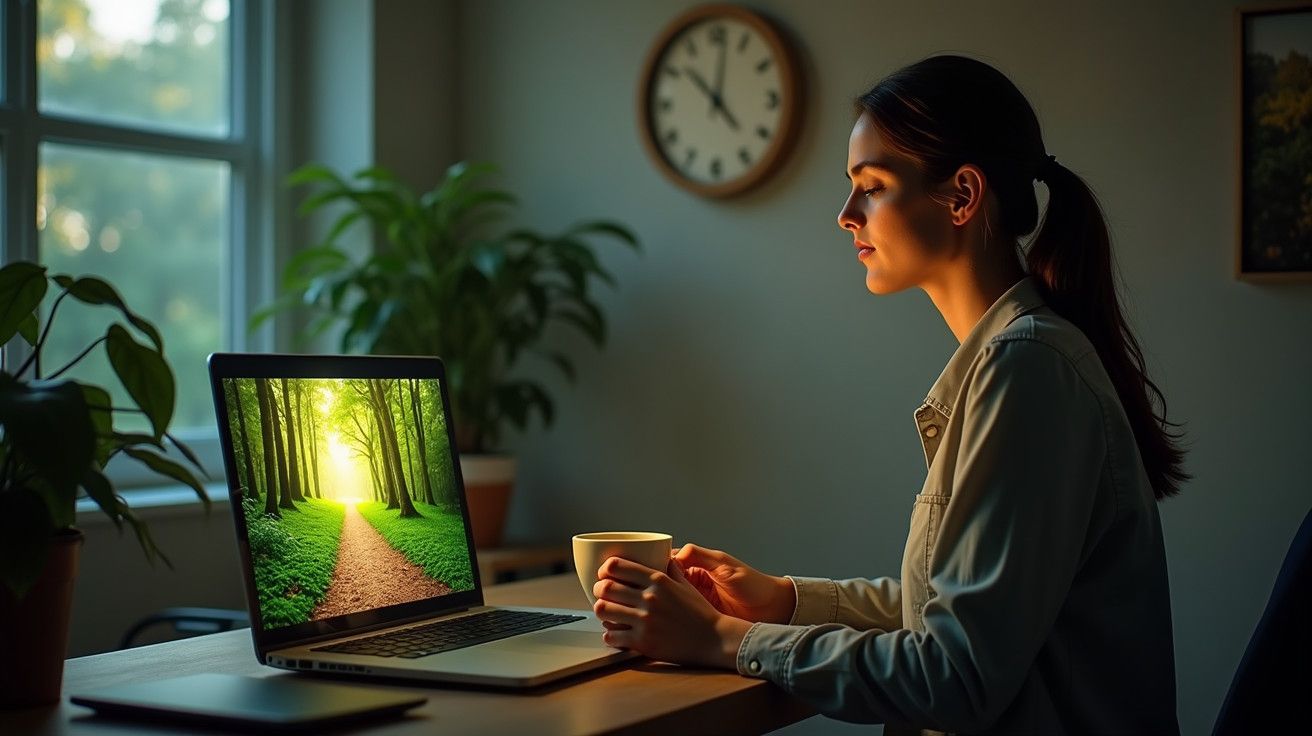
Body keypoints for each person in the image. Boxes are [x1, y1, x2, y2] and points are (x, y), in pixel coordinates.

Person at [591, 55, 1186, 735]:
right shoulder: (1017, 359)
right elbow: (951, 612)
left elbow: (953, 676)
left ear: (962, 196)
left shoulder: (1028, 369)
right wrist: (781, 600)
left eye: (871, 186)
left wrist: (721, 640)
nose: (846, 215)